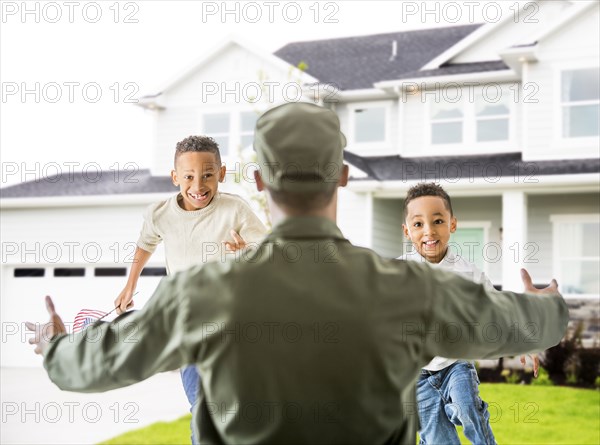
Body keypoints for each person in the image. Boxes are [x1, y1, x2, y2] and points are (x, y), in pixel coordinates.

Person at [27, 102, 569, 445]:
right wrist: (546, 305)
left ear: (258, 181)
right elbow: (517, 324)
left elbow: (91, 366)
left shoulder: (201, 294)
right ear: (344, 176)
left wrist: (54, 345)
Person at [113, 135, 267, 443]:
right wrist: (130, 285)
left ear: (221, 174)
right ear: (175, 178)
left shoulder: (235, 211)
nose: (198, 185)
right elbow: (146, 243)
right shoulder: (161, 214)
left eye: (208, 175)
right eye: (189, 176)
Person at [399, 182, 509, 444]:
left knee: (466, 407)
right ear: (406, 231)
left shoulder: (468, 273)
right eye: (418, 224)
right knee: (438, 439)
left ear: (452, 224)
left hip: (455, 364)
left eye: (437, 221)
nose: (429, 231)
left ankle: (460, 413)